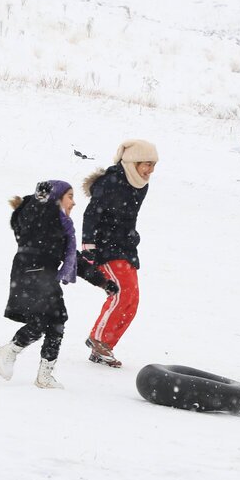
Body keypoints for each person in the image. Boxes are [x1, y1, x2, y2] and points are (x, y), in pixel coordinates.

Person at [0, 181, 118, 389]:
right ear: (56, 198)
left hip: (44, 277)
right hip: (30, 274)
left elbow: (74, 260)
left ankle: (42, 374)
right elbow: (31, 215)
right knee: (47, 321)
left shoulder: (62, 227)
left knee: (54, 323)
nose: (74, 202)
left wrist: (102, 281)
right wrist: (39, 199)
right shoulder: (41, 216)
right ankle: (12, 352)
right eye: (69, 196)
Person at [82, 140, 158, 368]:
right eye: (147, 164)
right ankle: (98, 340)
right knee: (121, 293)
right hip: (105, 246)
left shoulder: (141, 185)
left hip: (125, 246)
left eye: (153, 166)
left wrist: (131, 234)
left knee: (132, 299)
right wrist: (89, 245)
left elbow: (128, 217)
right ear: (133, 162)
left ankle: (104, 346)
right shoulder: (111, 182)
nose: (150, 171)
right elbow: (91, 214)